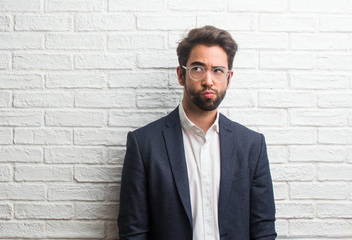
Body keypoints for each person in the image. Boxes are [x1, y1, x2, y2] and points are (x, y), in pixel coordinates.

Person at [117, 26, 276, 240]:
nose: (208, 80)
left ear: (229, 79)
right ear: (181, 75)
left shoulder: (251, 145)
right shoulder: (144, 144)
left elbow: (263, 229)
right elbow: (133, 231)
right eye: (198, 69)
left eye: (218, 70)